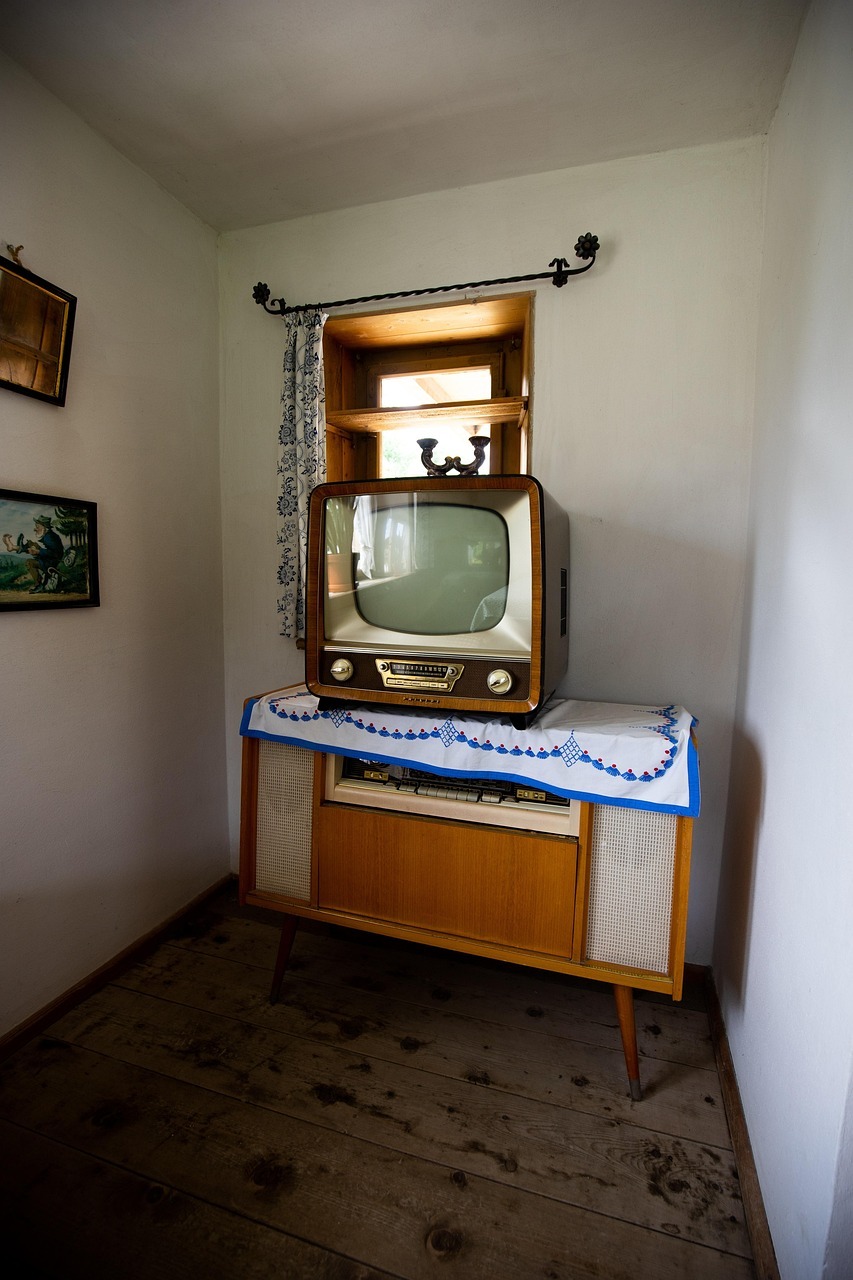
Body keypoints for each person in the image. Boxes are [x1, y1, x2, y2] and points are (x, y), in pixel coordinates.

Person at [2, 514, 64, 592]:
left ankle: (39, 585)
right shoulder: (48, 535)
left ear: (44, 527)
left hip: (50, 563)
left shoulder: (50, 537)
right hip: (47, 559)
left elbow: (55, 554)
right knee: (31, 544)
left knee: (29, 562)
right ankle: (14, 547)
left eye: (37, 527)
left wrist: (38, 551)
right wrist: (37, 550)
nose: (35, 529)